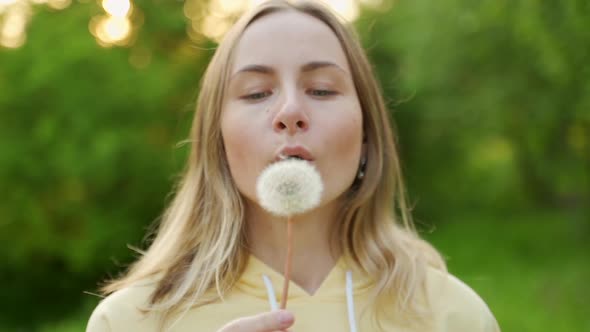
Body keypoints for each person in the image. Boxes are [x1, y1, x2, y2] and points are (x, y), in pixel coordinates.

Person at [86, 0, 501, 331]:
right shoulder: (131, 322)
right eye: (255, 93)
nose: (289, 111)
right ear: (219, 143)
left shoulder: (455, 317)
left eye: (321, 90)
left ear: (367, 136)